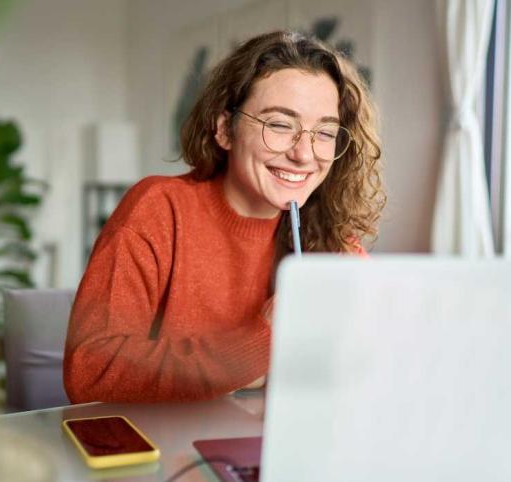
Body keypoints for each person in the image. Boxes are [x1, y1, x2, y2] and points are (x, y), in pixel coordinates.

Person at [63, 30, 385, 403]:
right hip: (162, 452)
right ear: (224, 130)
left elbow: (367, 371)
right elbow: (90, 371)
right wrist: (263, 340)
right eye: (280, 125)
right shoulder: (158, 209)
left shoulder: (331, 240)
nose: (304, 154)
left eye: (324, 132)